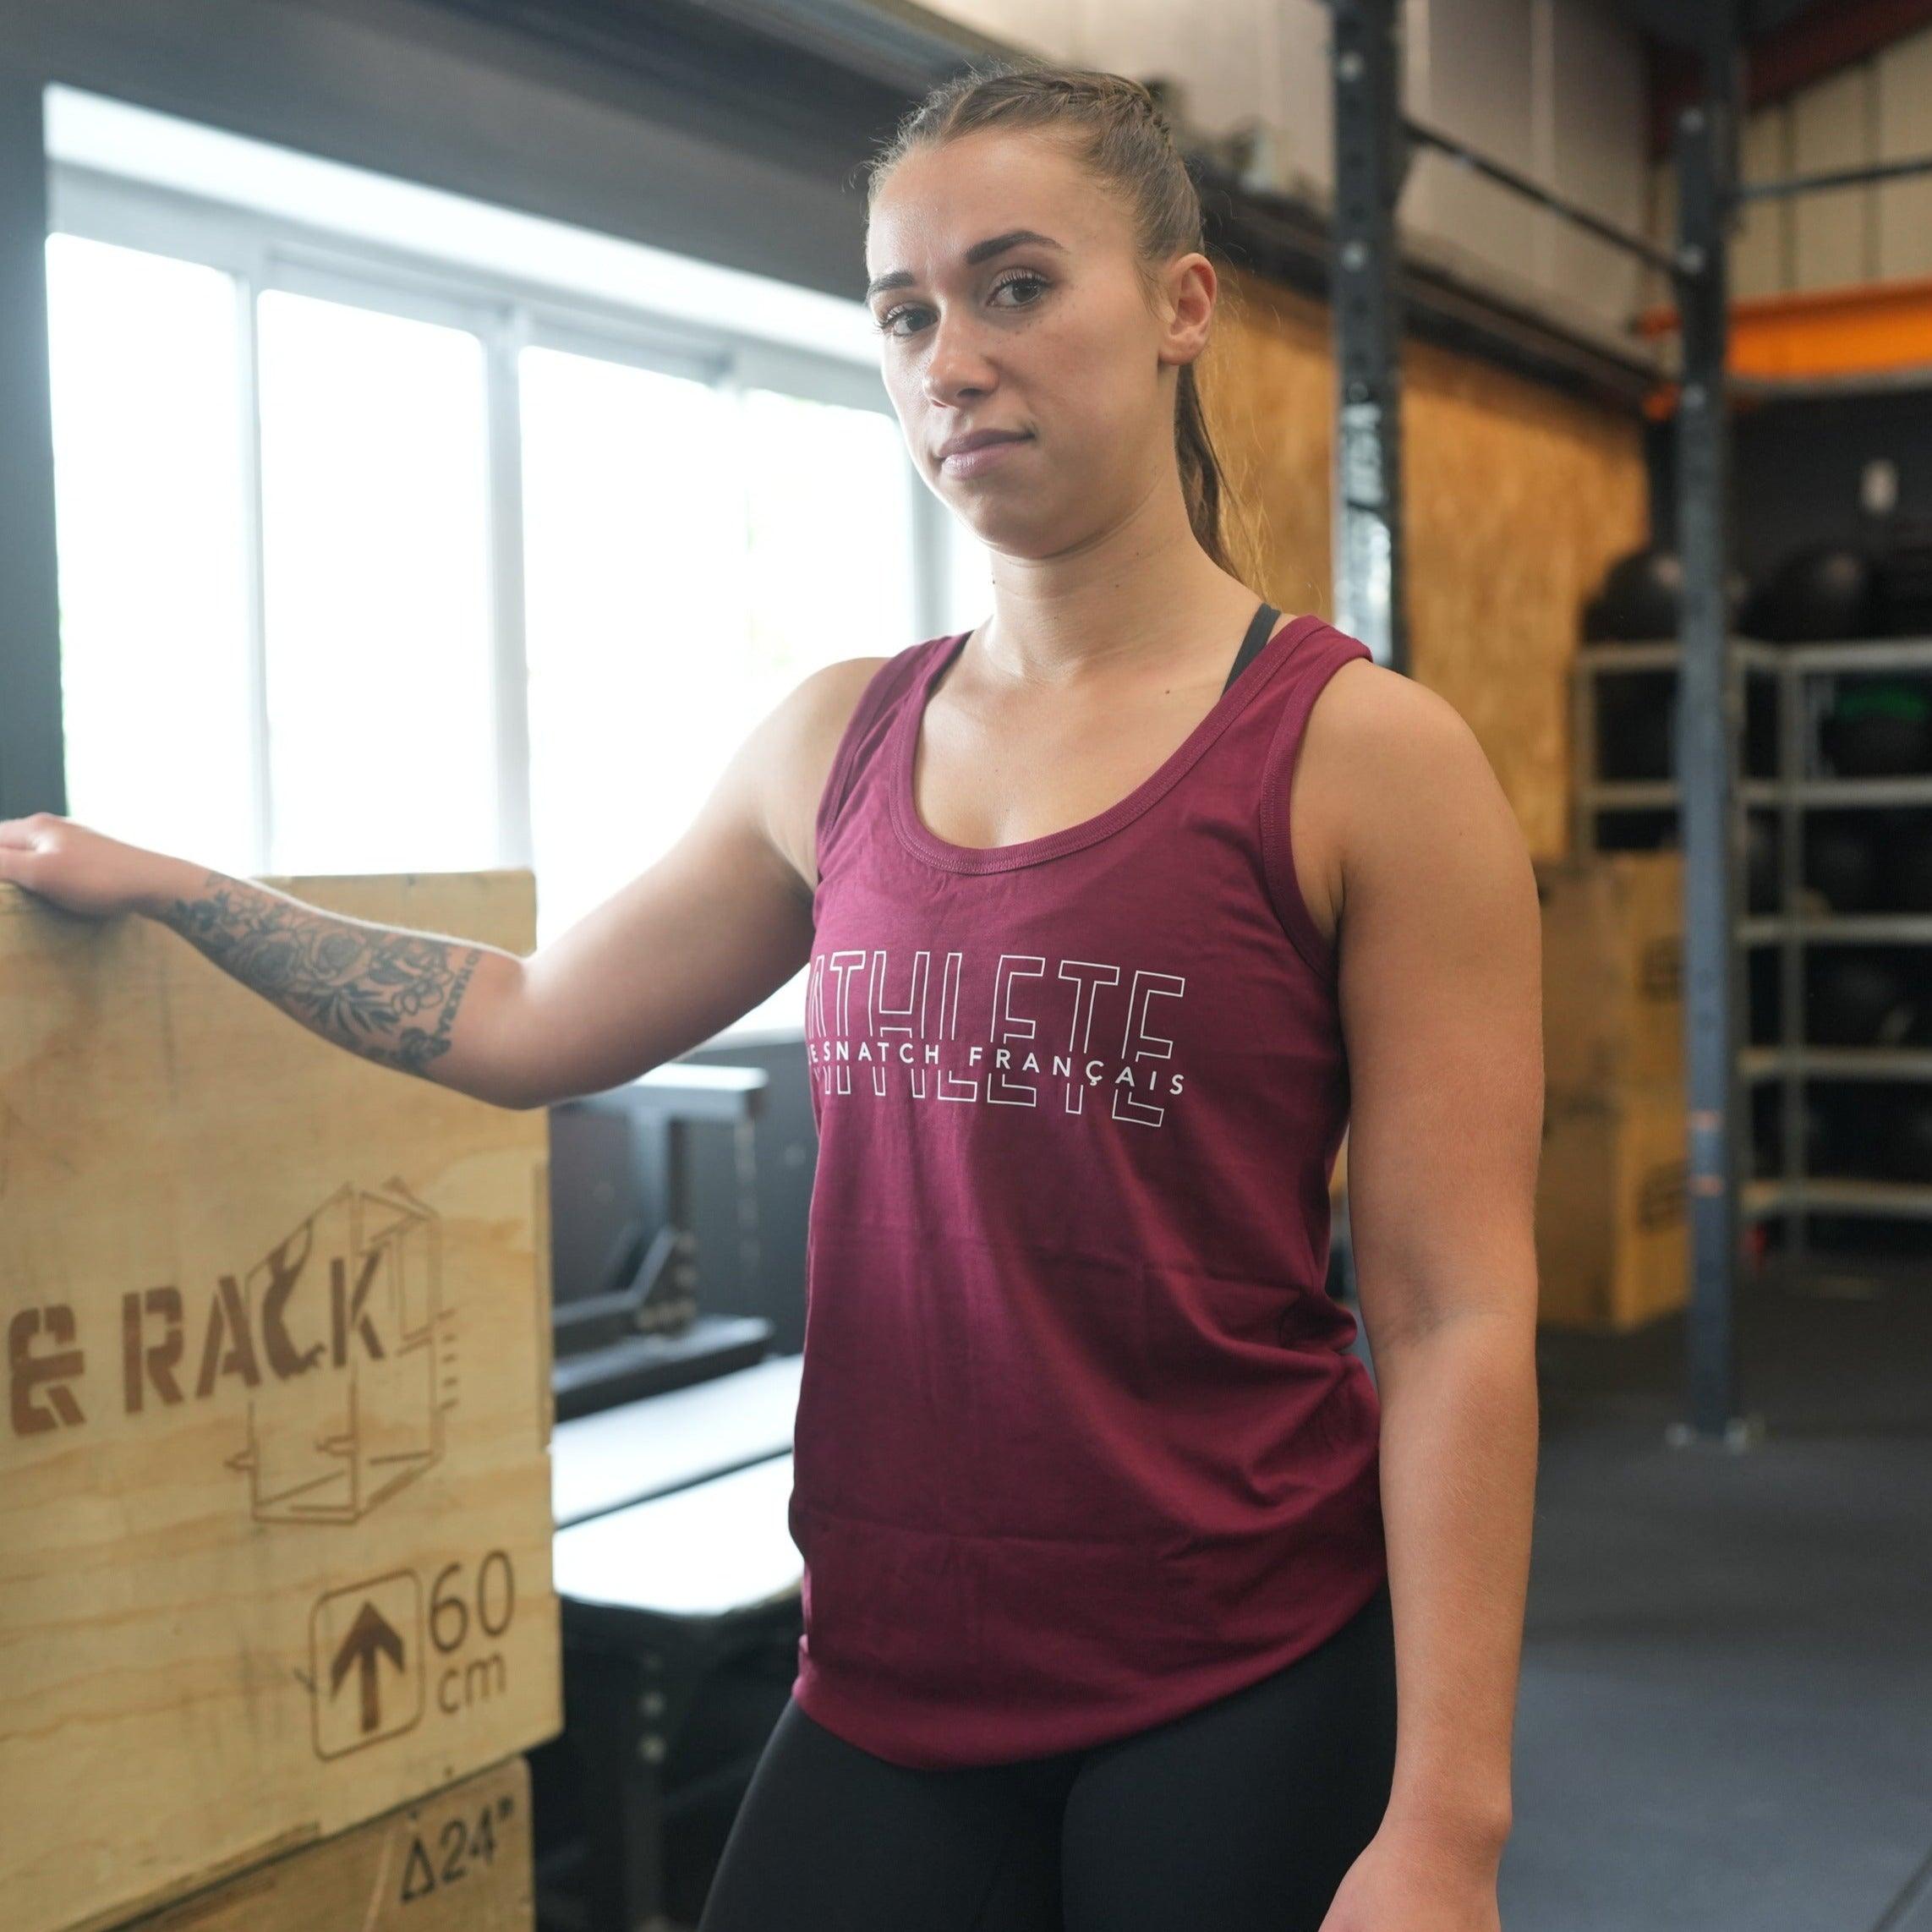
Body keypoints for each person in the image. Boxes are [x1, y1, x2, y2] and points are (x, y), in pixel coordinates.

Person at [0, 58, 1542, 1932]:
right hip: (884, 1676)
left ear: (1180, 309)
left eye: (1016, 285)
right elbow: (528, 1024)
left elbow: (1456, 1313)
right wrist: (179, 890)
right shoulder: (835, 742)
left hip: (1233, 1667)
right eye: (905, 312)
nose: (950, 357)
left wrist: (1448, 1822)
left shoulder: (1364, 757)